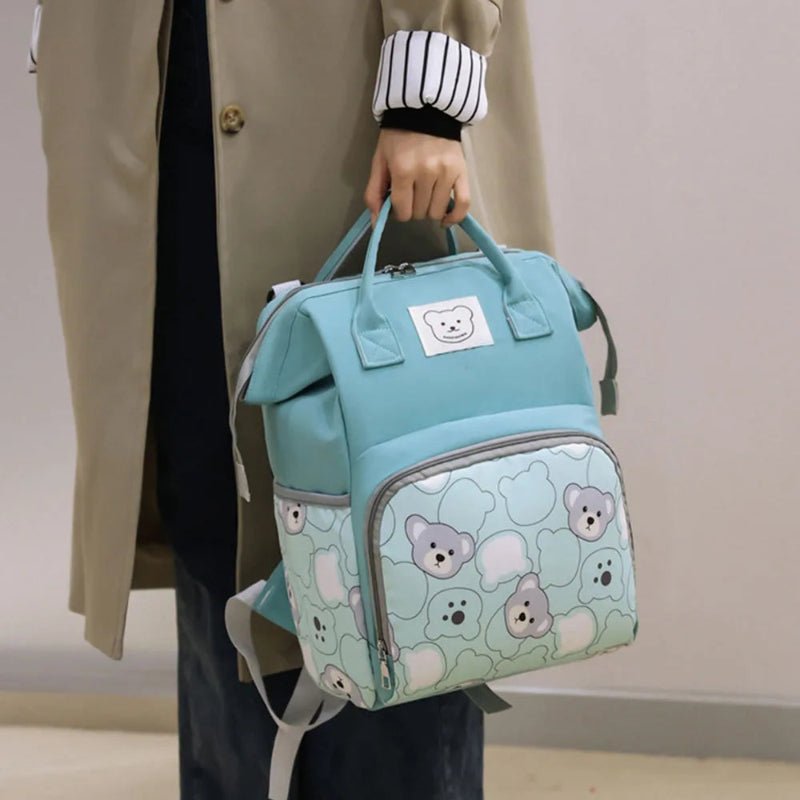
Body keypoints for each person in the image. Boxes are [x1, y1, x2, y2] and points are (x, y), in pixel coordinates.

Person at [34, 1, 553, 797]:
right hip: (144, 63)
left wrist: (427, 89)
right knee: (215, 487)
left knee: (393, 509)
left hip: (344, 79)